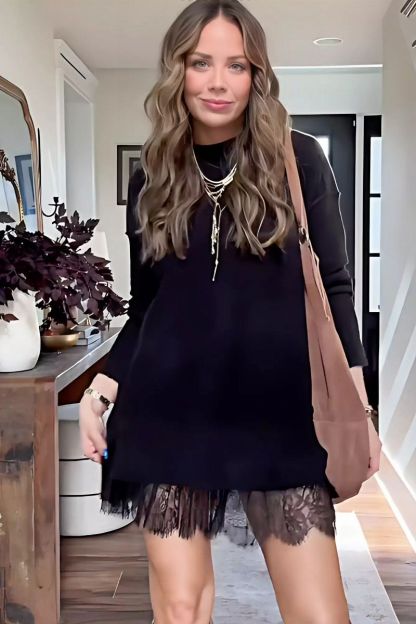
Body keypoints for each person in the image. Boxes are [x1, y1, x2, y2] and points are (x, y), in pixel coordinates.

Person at [79, 1, 381, 622]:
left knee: (321, 615)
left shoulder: (299, 159)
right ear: (177, 70)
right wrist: (102, 387)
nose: (218, 82)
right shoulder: (152, 176)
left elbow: (334, 288)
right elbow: (148, 305)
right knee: (181, 608)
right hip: (170, 414)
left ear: (256, 74)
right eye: (201, 63)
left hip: (281, 417)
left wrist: (359, 404)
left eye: (237, 65)